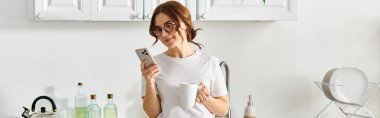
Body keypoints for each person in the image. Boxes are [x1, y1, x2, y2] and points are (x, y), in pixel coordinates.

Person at [140, 1, 229, 118]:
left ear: (185, 23)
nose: (164, 34)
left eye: (169, 26)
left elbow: (223, 110)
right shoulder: (153, 66)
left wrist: (206, 99)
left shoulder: (210, 62)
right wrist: (149, 81)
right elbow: (152, 114)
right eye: (158, 30)